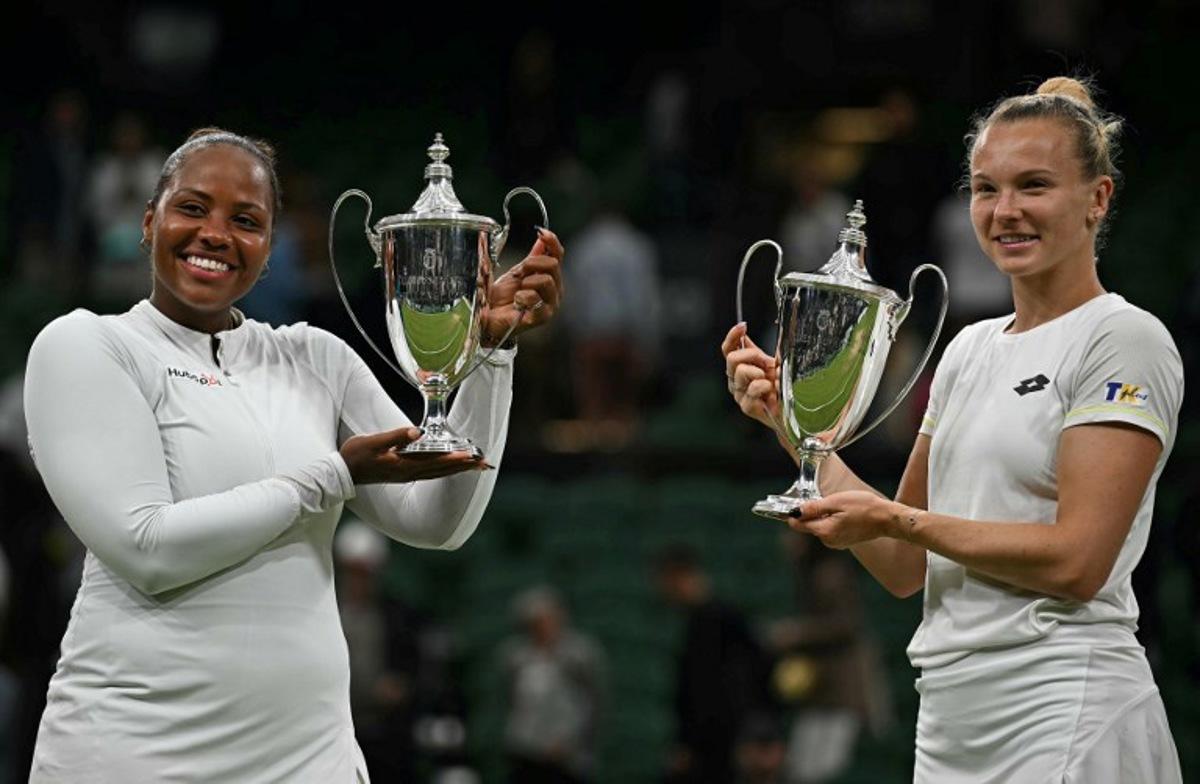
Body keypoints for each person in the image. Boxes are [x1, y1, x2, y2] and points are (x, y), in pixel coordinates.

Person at [23, 127, 564, 782]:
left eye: (246, 220)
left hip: (310, 761)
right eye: (192, 208)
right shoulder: (87, 347)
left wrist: (490, 356)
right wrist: (334, 475)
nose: (216, 233)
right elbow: (148, 550)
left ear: (270, 249)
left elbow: (438, 520)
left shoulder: (316, 357)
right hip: (134, 755)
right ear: (148, 220)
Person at [722, 77, 1184, 782]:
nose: (1005, 212)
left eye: (1034, 186)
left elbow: (1078, 562)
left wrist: (902, 523)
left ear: (1098, 199)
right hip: (948, 724)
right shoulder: (967, 350)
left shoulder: (1122, 339)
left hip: (1066, 710)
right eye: (985, 188)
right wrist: (786, 422)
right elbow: (904, 565)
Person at [654, 544, 772, 784]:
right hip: (713, 745)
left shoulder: (721, 621)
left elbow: (707, 694)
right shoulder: (701, 622)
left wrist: (689, 743)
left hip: (720, 746)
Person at [498, 585, 606, 784]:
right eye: (536, 622)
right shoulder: (517, 657)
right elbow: (512, 700)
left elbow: (591, 702)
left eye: (547, 619)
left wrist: (569, 741)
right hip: (526, 749)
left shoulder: (579, 654)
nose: (543, 626)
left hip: (566, 755)